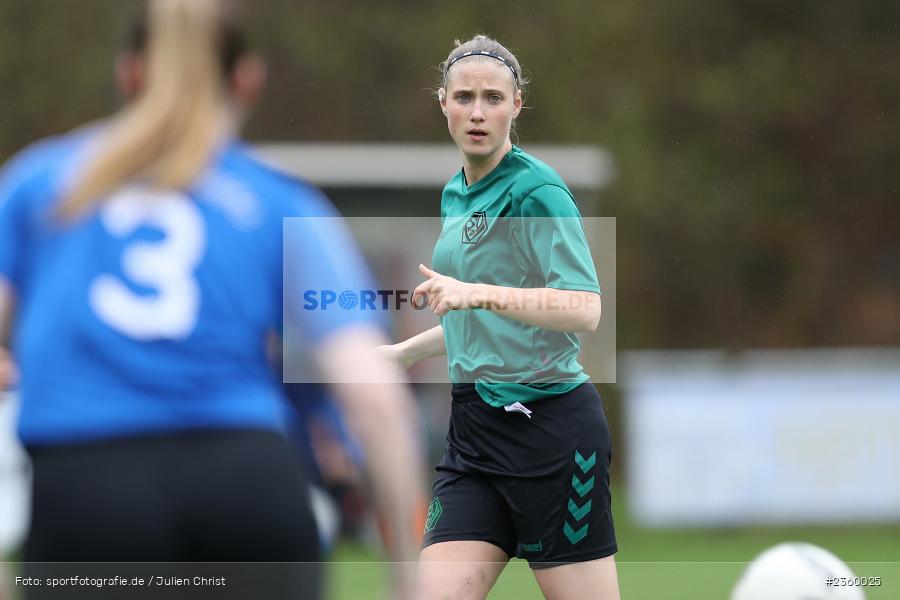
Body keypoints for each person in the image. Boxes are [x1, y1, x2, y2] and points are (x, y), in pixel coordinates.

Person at [0, 1, 422, 598]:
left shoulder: (38, 183)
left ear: (129, 75)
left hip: (87, 498)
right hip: (248, 492)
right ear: (247, 80)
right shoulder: (279, 201)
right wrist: (407, 575)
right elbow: (376, 399)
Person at [377, 35, 621, 599]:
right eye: (464, 97)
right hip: (474, 436)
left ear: (517, 105)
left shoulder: (538, 192)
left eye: (493, 97)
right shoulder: (455, 194)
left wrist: (478, 293)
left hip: (551, 431)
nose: (478, 112)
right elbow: (481, 319)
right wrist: (402, 354)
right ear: (442, 103)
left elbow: (584, 309)